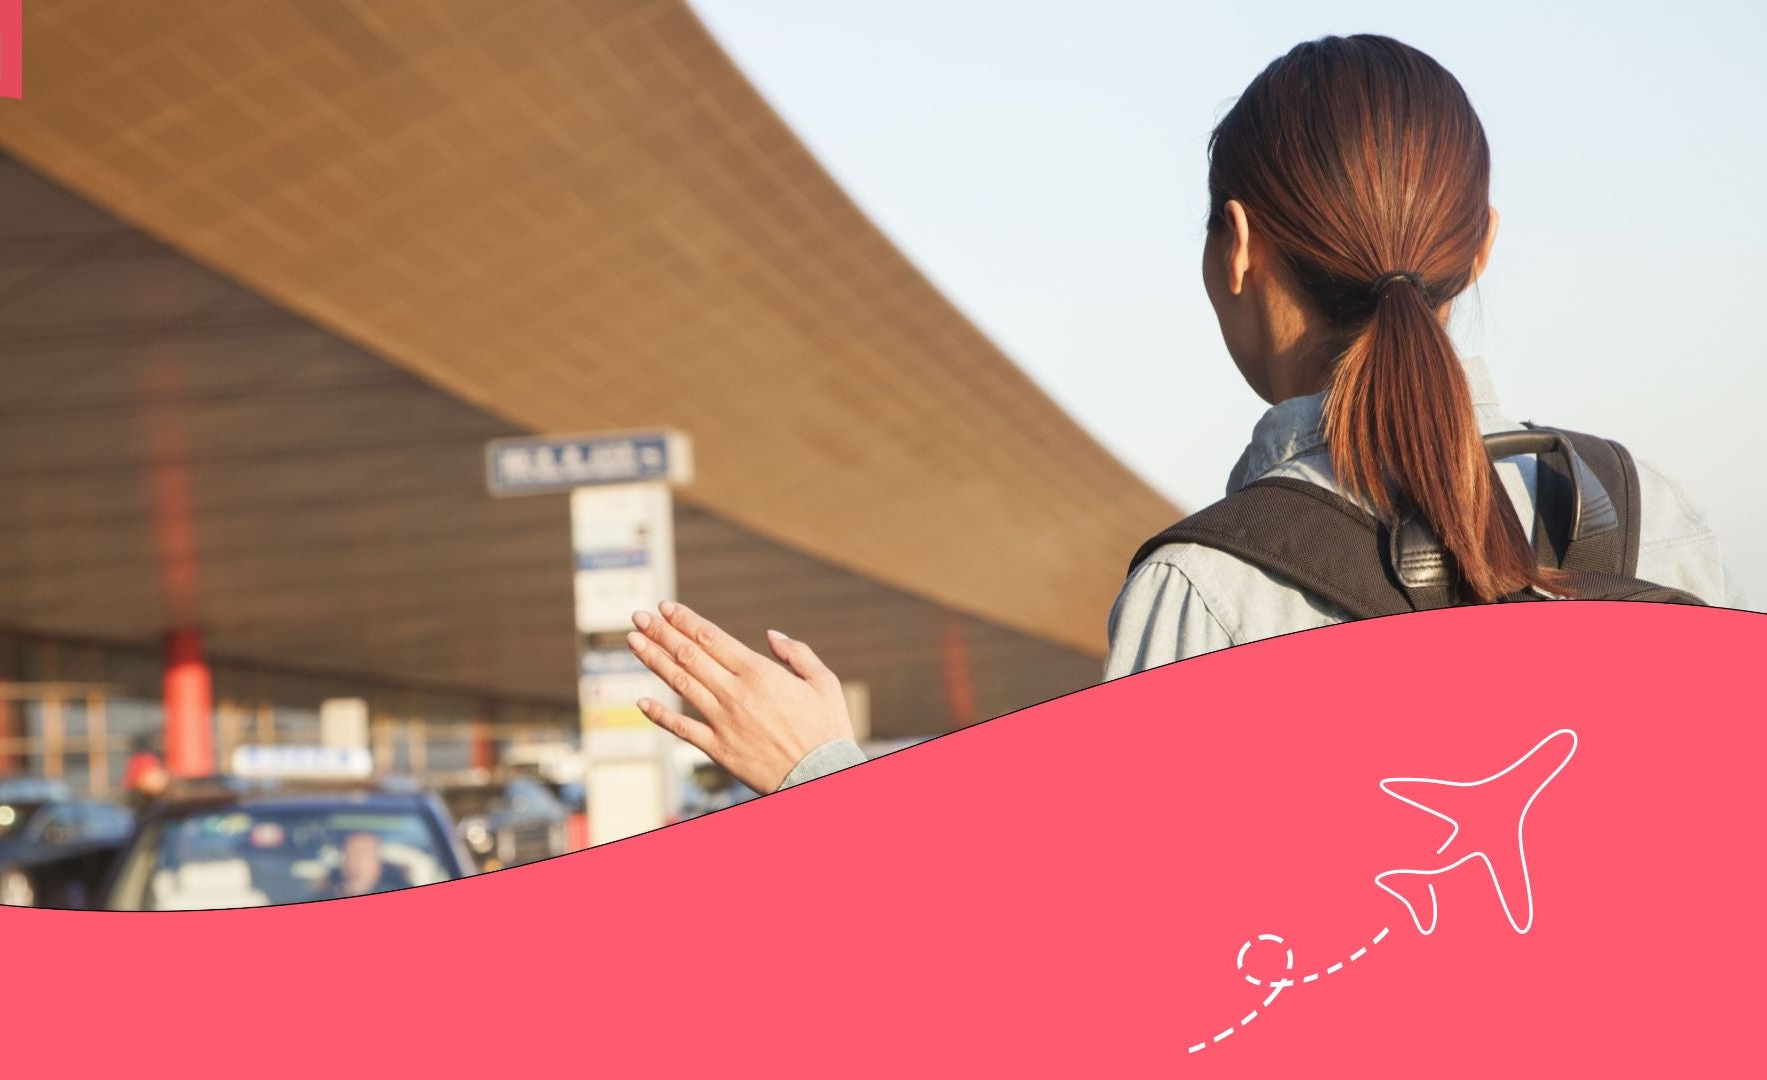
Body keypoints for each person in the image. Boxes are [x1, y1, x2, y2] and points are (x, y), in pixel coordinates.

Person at [621, 34, 1743, 796]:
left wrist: (822, 774)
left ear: (1237, 249)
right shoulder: (1652, 520)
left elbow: (1130, 978)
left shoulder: (1211, 590)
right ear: (1483, 247)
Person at [317, 831, 410, 899]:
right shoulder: (324, 895)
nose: (359, 862)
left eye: (366, 854)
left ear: (377, 863)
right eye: (354, 854)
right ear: (344, 862)